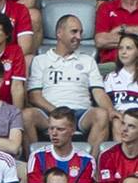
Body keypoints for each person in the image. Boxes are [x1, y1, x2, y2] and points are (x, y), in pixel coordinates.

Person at [25, 16, 115, 153]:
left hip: (81, 112)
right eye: (74, 31)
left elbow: (99, 93)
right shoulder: (40, 60)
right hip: (49, 112)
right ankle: (35, 164)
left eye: (80, 32)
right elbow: (34, 96)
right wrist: (59, 112)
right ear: (59, 33)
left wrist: (111, 110)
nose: (78, 37)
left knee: (101, 115)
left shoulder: (88, 60)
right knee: (26, 115)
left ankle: (87, 165)